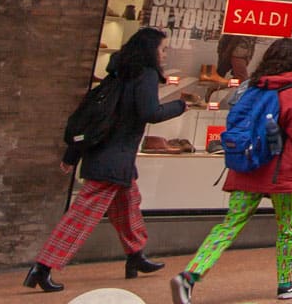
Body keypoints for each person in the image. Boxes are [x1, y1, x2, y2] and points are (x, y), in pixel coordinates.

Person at [25, 27, 184, 292]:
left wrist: (72, 155)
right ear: (150, 51)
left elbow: (93, 118)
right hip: (115, 158)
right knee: (82, 215)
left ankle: (136, 256)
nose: (165, 54)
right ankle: (42, 267)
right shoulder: (144, 74)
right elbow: (150, 112)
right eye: (163, 49)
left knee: (128, 204)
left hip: (107, 155)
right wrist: (181, 105)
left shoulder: (118, 74)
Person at [169, 37, 292, 303]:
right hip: (281, 171)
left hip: (246, 167)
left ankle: (190, 275)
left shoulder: (252, 89)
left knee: (229, 226)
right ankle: (285, 284)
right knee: (288, 229)